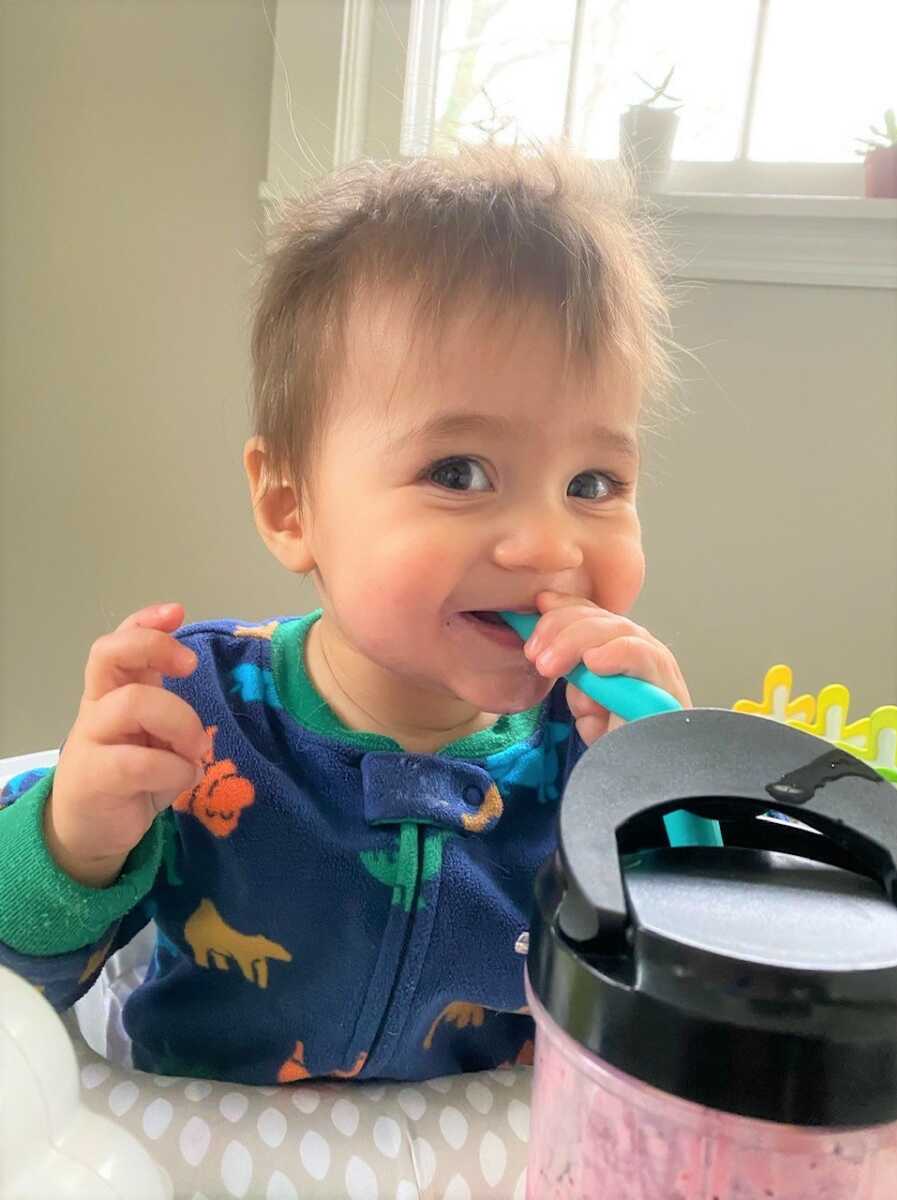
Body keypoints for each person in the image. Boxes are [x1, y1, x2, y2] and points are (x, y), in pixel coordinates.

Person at [0, 142, 690, 1085]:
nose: (550, 545)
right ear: (292, 506)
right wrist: (72, 841)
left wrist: (663, 807)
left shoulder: (593, 753)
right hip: (209, 1163)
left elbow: (681, 1021)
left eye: (593, 482)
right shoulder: (196, 717)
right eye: (458, 472)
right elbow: (20, 986)